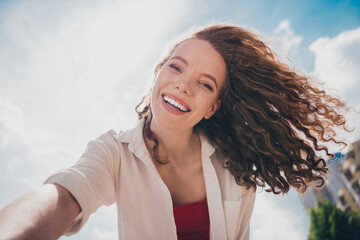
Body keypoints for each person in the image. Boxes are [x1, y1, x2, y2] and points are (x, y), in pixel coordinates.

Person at [0, 24, 350, 240]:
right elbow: (63, 197)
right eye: (176, 67)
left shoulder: (236, 167)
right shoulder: (113, 152)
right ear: (158, 72)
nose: (183, 86)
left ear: (213, 107)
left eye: (204, 84)